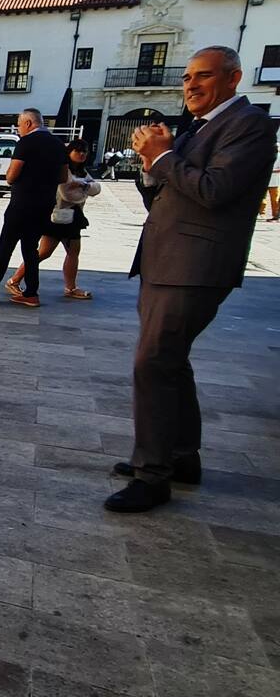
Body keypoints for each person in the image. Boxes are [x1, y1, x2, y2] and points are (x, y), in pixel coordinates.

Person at [106, 46, 277, 513]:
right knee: (170, 362)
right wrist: (151, 163)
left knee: (153, 363)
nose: (191, 86)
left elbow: (212, 190)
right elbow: (163, 194)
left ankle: (151, 474)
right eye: (186, 78)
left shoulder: (250, 126)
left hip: (195, 265)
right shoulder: (197, 129)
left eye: (203, 76)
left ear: (233, 78)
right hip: (166, 260)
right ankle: (180, 457)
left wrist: (162, 156)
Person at [0, 108, 68, 308]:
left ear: (29, 123)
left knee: (5, 248)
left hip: (22, 203)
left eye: (20, 125)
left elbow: (12, 175)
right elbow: (64, 177)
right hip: (44, 204)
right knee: (30, 249)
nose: (19, 129)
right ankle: (31, 293)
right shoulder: (58, 144)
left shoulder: (26, 142)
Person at [6, 139, 100, 300]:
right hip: (57, 217)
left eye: (84, 151)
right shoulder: (64, 170)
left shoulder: (82, 172)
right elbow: (68, 194)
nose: (82, 154)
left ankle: (70, 287)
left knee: (73, 252)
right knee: (44, 253)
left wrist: (81, 185)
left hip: (73, 217)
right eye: (78, 151)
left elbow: (96, 188)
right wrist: (85, 187)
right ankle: (14, 280)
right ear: (69, 152)